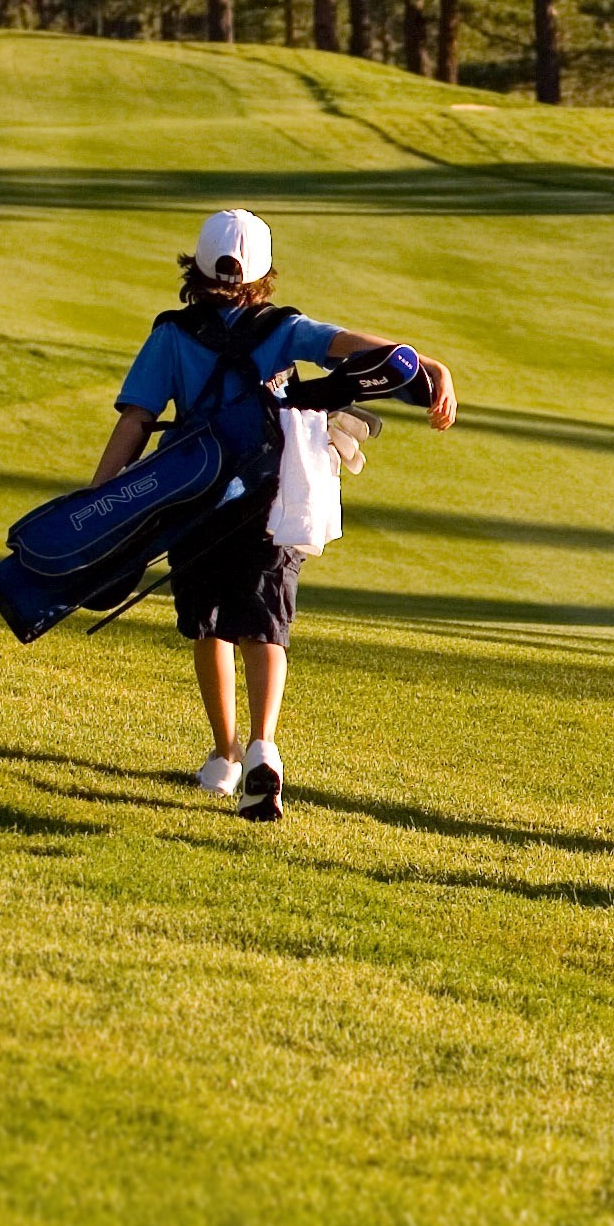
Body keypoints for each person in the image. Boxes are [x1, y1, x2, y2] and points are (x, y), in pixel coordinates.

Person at [88, 208, 458, 823]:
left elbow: (135, 421)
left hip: (195, 492)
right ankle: (265, 743)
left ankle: (224, 756)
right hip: (273, 492)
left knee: (210, 622)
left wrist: (99, 498)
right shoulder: (283, 329)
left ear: (197, 265)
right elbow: (365, 351)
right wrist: (432, 367)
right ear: (263, 274)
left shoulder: (171, 335)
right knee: (266, 621)